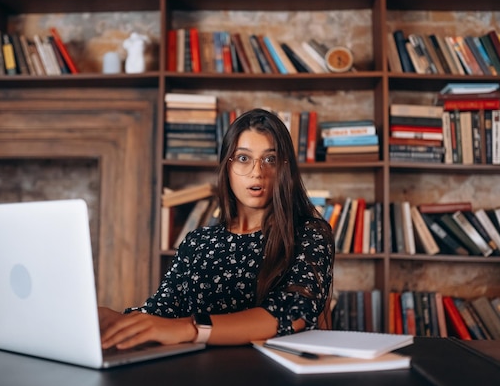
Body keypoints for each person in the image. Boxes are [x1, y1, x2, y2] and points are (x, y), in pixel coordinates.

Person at [99, 108, 335, 350]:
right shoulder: (197, 242)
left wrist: (191, 328)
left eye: (270, 159)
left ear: (286, 168)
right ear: (227, 166)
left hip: (273, 377)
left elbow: (292, 313)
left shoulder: (310, 233)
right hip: (197, 376)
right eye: (243, 158)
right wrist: (115, 318)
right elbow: (162, 311)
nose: (257, 172)